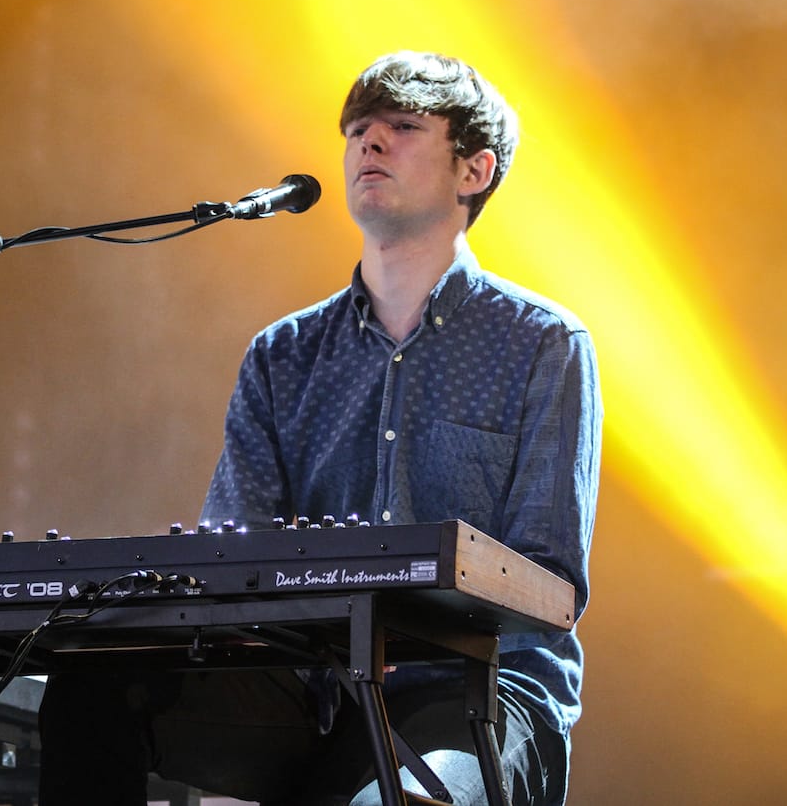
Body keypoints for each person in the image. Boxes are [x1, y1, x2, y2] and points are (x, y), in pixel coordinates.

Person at [38, 51, 601, 805]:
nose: (369, 143)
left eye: (402, 126)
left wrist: (398, 598)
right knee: (94, 686)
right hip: (314, 692)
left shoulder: (543, 343)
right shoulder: (284, 354)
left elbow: (546, 581)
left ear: (474, 171)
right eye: (358, 129)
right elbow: (232, 560)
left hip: (475, 688)